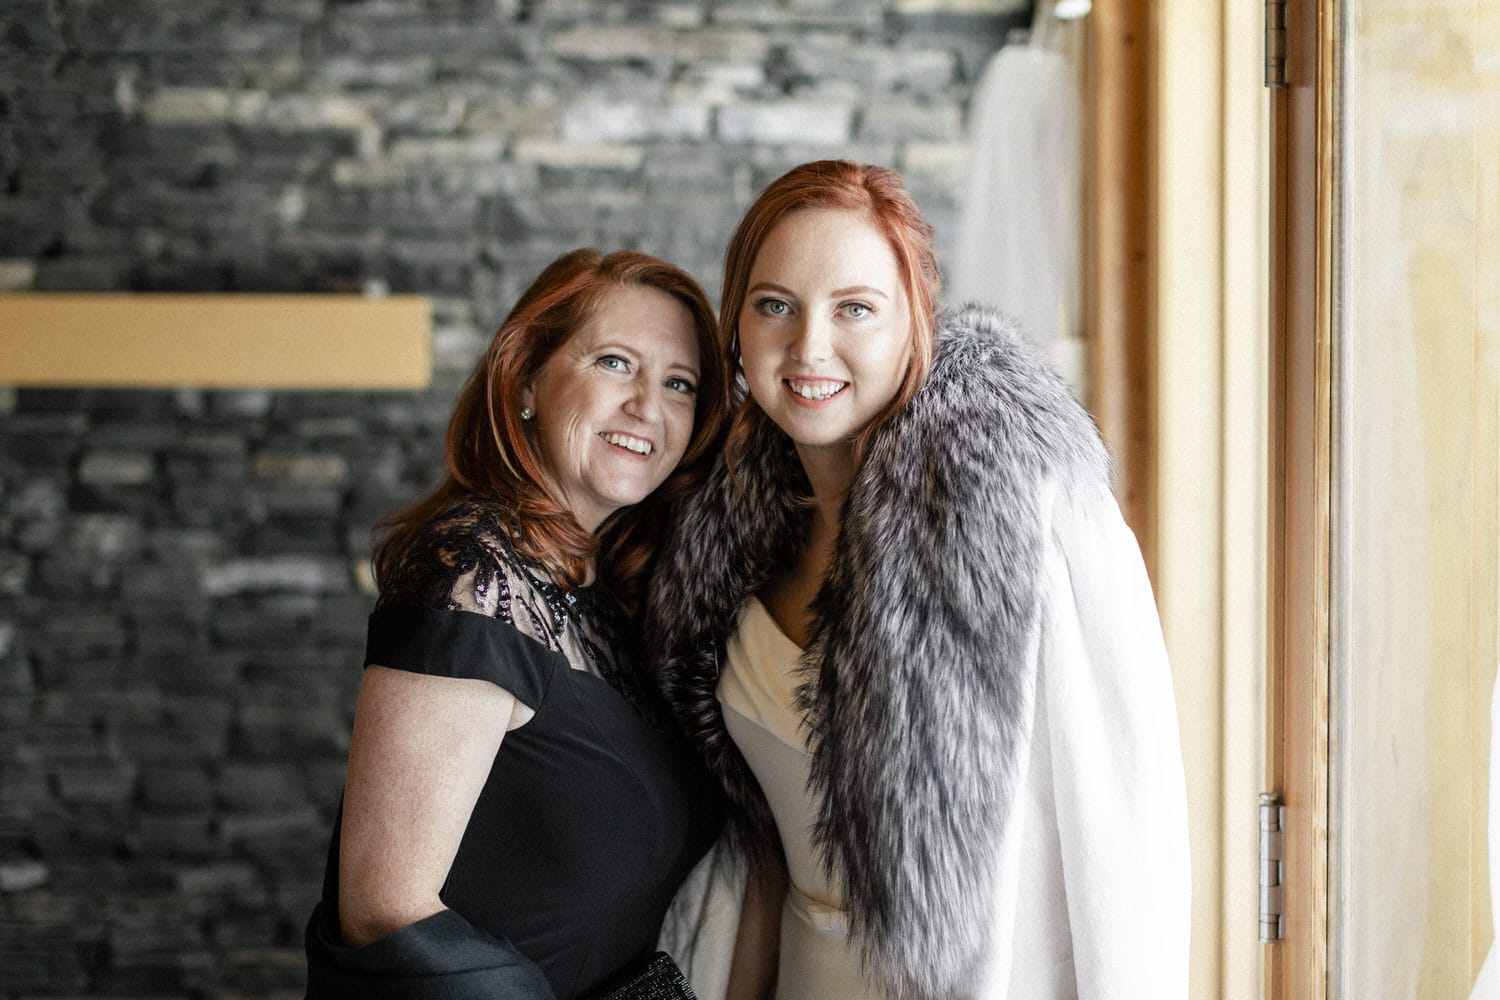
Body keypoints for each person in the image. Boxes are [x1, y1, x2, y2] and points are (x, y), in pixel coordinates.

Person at [646, 161, 1190, 999]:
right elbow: (751, 850)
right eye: (774, 305)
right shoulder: (718, 531)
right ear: (736, 327)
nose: (808, 347)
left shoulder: (1029, 520)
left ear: (916, 323)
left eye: (854, 309)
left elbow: (1127, 834)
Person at [305, 248, 731, 999]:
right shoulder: (471, 574)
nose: (646, 406)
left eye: (678, 384)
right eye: (614, 362)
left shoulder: (614, 590)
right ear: (527, 379)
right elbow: (385, 911)